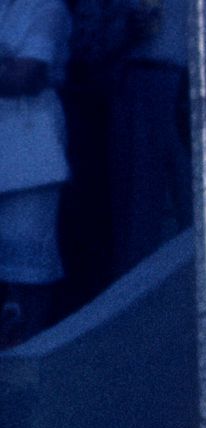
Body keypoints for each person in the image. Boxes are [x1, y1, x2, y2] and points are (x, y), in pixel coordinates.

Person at [0, 0, 69, 347]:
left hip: (31, 133)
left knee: (28, 253)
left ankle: (29, 351)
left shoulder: (45, 6)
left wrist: (14, 70)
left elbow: (27, 75)